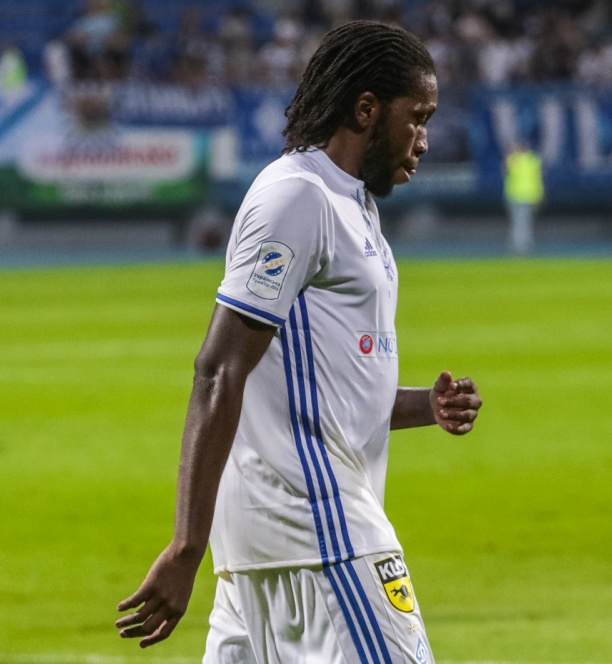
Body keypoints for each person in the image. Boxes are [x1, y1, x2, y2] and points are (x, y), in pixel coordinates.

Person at [115, 21, 482, 662]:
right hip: (320, 535)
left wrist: (425, 404)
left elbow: (324, 390)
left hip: (274, 543)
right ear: (366, 109)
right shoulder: (298, 198)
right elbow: (219, 369)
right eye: (417, 118)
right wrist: (185, 545)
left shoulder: (350, 204)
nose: (424, 139)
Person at [502, 140, 544, 255]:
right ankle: (521, 245)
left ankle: (520, 245)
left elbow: (505, 171)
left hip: (519, 195)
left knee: (520, 222)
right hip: (523, 195)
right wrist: (539, 195)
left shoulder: (514, 159)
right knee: (522, 222)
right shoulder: (533, 160)